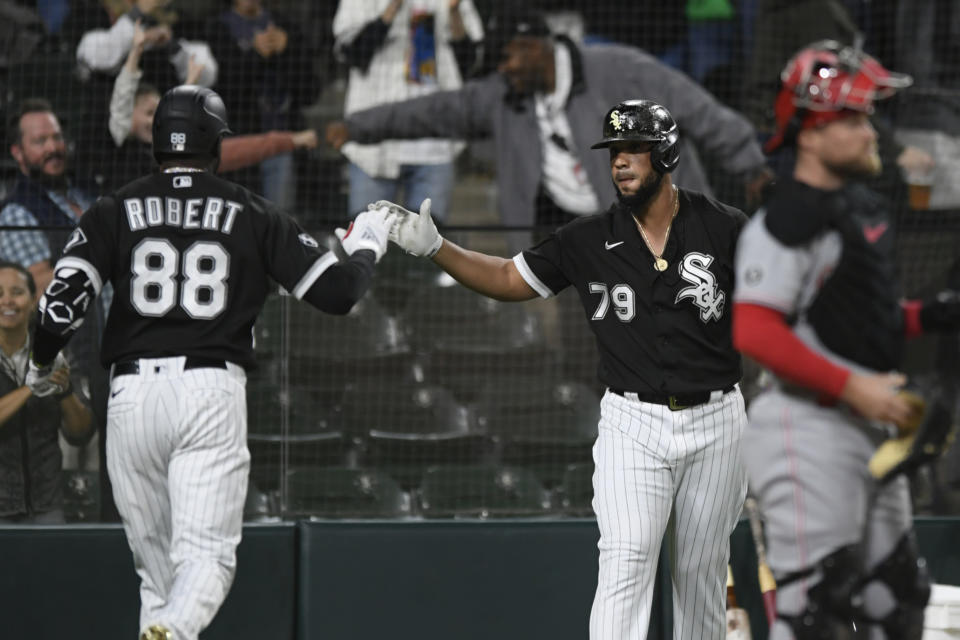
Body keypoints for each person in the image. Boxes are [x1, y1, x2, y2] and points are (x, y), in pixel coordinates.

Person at [24, 85, 396, 640]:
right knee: (207, 560)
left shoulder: (112, 208)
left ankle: (166, 628)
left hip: (130, 400)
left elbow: (60, 304)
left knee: (158, 579)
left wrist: (39, 364)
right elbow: (339, 294)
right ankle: (172, 631)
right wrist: (367, 243)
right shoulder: (252, 211)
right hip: (207, 392)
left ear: (156, 142)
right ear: (216, 143)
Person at [382, 99, 748, 639]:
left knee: (701, 575)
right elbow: (510, 279)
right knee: (627, 559)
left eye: (634, 150)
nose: (621, 162)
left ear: (665, 153)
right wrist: (438, 247)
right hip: (633, 422)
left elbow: (773, 306)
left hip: (717, 420)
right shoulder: (588, 237)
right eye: (614, 152)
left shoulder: (724, 228)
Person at [732, 41, 960, 639]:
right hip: (806, 427)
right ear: (808, 132)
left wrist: (931, 316)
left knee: (897, 598)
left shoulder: (857, 211)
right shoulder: (785, 221)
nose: (869, 132)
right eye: (853, 118)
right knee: (814, 611)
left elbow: (862, 324)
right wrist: (854, 388)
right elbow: (754, 328)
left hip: (864, 426)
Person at [327, 6, 771, 230]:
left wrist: (749, 164)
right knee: (586, 370)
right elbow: (435, 111)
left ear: (534, 47)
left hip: (664, 232)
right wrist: (358, 126)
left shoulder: (615, 70)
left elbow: (695, 106)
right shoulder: (506, 96)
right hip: (584, 249)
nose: (503, 70)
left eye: (508, 58)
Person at [76, 18, 319, 196]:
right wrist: (136, 51)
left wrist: (291, 140)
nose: (155, 121)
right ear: (129, 117)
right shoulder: (120, 140)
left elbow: (241, 150)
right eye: (149, 113)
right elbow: (122, 97)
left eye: (159, 114)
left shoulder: (181, 153)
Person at [330, 0, 484, 220]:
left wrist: (454, 12)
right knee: (367, 242)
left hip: (434, 145)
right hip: (373, 145)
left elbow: (469, 63)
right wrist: (392, 8)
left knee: (428, 246)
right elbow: (352, 54)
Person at [0, 261, 93, 524]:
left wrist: (65, 391)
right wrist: (32, 387)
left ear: (33, 302)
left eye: (17, 293)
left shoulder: (55, 350)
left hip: (47, 505)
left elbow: (81, 434)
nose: (7, 301)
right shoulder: (47, 363)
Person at [207, 0, 321, 208]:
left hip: (283, 142)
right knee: (238, 221)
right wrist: (256, 55)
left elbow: (310, 92)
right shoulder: (216, 27)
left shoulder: (285, 26)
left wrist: (288, 51)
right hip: (238, 144)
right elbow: (220, 91)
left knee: (278, 223)